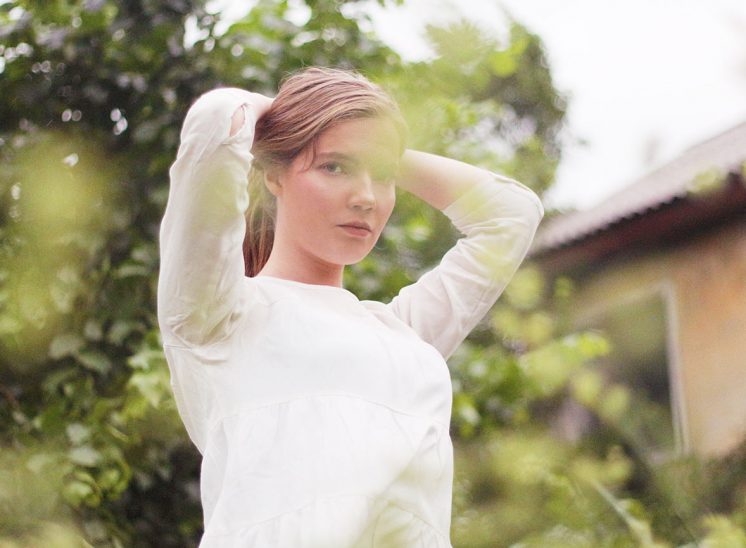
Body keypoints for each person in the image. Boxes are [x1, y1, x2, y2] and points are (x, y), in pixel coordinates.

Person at [157, 67, 543, 547]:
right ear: (274, 172)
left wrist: (377, 147)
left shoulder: (404, 333)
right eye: (334, 168)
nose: (366, 198)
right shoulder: (218, 316)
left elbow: (513, 214)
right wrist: (295, 125)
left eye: (382, 177)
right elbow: (219, 121)